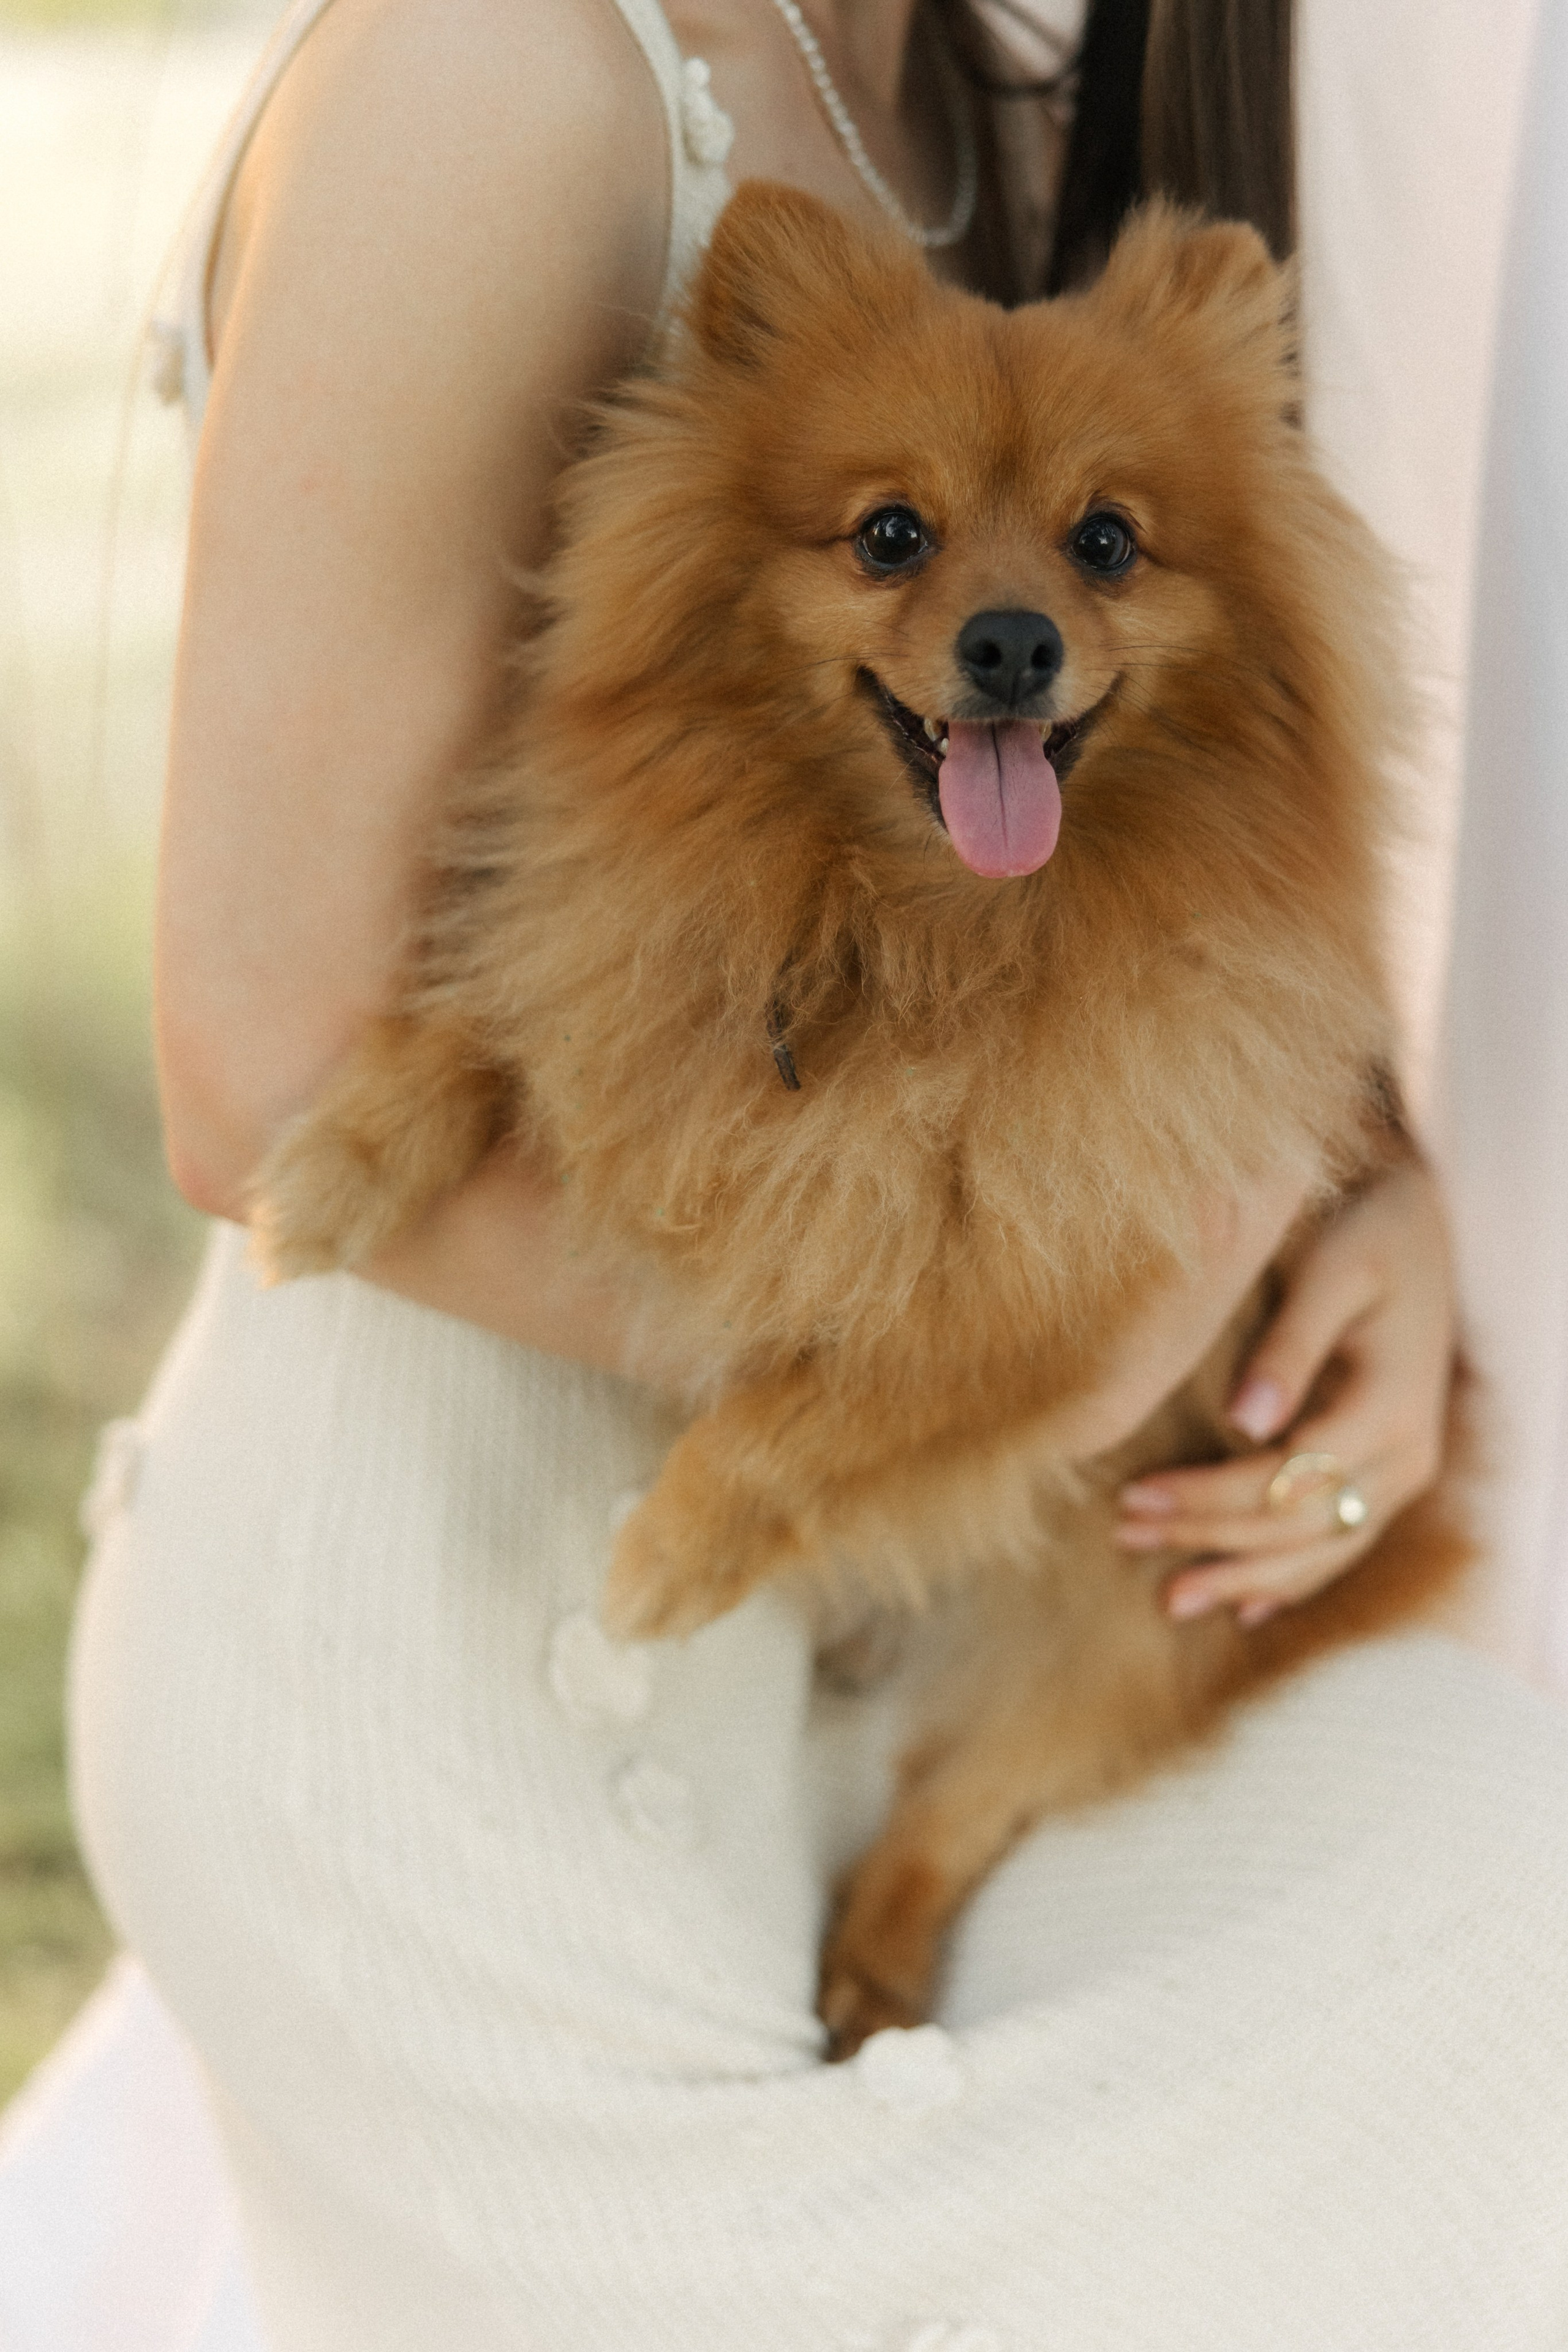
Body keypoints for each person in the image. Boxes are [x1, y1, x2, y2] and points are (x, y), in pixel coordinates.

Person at [35, 0, 1568, 2344]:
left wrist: (1356, 1182)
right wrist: (1057, 1343)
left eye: (1089, 552)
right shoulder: (493, 78)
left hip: (850, 1685)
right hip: (447, 1657)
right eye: (893, 541)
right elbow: (253, 1085)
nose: (1006, 615)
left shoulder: (987, 95)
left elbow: (1215, 928)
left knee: (1499, 1972)